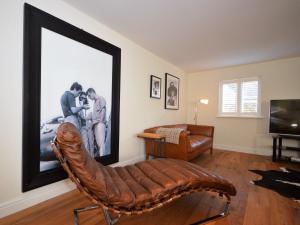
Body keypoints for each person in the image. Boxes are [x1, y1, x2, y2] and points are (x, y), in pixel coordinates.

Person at [86, 88, 107, 157]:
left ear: (92, 92)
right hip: (95, 125)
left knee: (101, 144)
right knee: (99, 144)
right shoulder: (94, 103)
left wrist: (101, 121)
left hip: (100, 124)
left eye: (89, 95)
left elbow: (103, 110)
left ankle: (103, 160)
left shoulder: (101, 98)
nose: (89, 98)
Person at [78, 92, 94, 157]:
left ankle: (93, 160)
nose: (83, 99)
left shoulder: (89, 107)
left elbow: (92, 116)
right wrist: (81, 106)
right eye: (81, 98)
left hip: (89, 126)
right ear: (79, 98)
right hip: (82, 128)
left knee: (91, 144)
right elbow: (80, 116)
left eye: (84, 98)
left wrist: (91, 125)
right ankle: (88, 161)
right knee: (86, 145)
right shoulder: (78, 107)